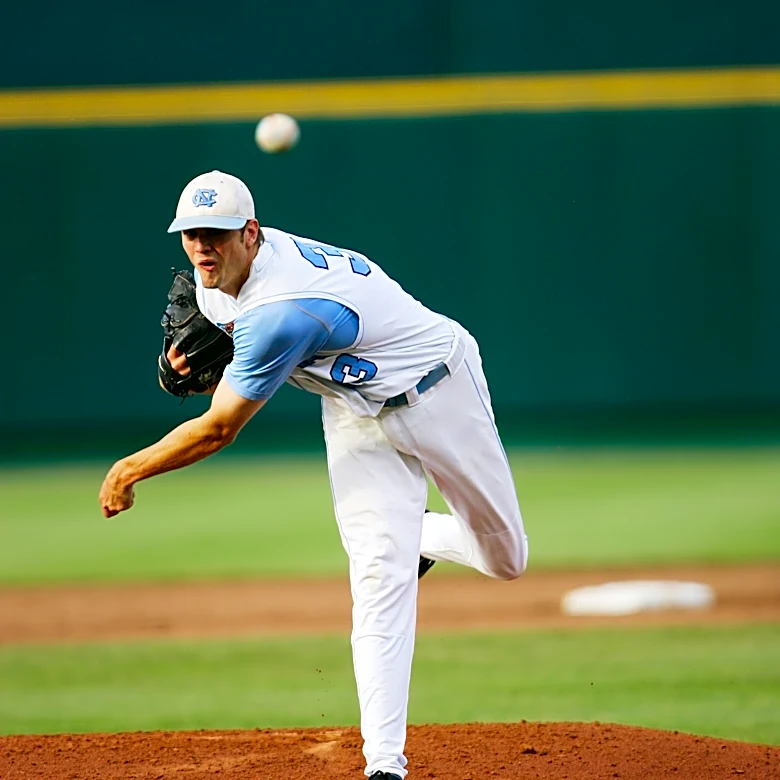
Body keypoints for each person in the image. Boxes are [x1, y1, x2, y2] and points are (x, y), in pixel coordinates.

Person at [99, 170, 529, 780]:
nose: (201, 247)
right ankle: (385, 765)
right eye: (191, 234)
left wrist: (129, 469)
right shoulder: (218, 283)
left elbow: (220, 428)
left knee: (507, 560)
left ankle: (421, 536)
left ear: (250, 234)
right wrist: (189, 365)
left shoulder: (285, 307)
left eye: (216, 233)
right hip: (354, 410)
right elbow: (226, 342)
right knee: (378, 575)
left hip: (438, 389)